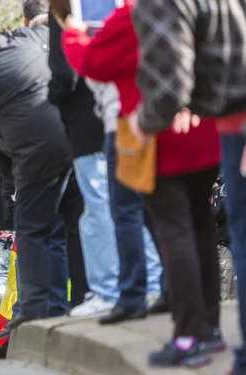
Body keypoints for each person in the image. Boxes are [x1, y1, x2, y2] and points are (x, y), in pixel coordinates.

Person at [130, 1, 246, 372]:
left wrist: (142, 124)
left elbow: (167, 86)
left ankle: (188, 337)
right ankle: (209, 329)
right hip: (212, 127)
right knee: (199, 228)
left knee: (176, 232)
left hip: (175, 131)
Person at [0, 22, 89, 332]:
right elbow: (47, 28)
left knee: (31, 232)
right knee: (75, 227)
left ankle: (35, 307)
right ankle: (82, 299)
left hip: (34, 160)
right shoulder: (30, 38)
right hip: (74, 144)